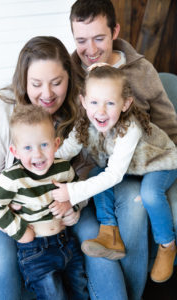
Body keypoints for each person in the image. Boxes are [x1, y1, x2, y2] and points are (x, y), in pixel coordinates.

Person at [66, 0, 177, 299]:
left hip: (145, 162)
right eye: (81, 40)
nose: (90, 49)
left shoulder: (141, 70)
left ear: (114, 31)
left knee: (139, 202)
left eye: (99, 38)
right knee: (110, 187)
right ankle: (109, 236)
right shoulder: (70, 71)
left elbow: (168, 122)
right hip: (104, 166)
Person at [0, 36, 82, 300]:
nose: (47, 94)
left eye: (56, 83)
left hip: (55, 209)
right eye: (36, 84)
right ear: (23, 80)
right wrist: (12, 220)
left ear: (69, 79)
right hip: (7, 208)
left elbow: (83, 173)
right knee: (2, 258)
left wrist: (74, 204)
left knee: (91, 238)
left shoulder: (80, 110)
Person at [52, 64, 177, 284]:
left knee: (149, 194)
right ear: (83, 101)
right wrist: (44, 159)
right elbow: (68, 149)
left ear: (125, 104)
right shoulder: (85, 123)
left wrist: (72, 191)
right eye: (94, 102)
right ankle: (109, 232)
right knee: (95, 174)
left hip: (161, 162)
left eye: (110, 103)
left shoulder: (130, 127)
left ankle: (167, 245)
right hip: (132, 167)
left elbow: (114, 175)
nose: (100, 111)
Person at [0, 104, 89, 300]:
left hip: (66, 243)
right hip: (35, 251)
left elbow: (75, 191)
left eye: (44, 145)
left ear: (56, 144)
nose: (37, 154)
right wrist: (20, 231)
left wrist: (71, 207)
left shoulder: (63, 168)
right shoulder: (13, 177)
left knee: (80, 291)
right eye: (28, 148)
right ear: (15, 151)